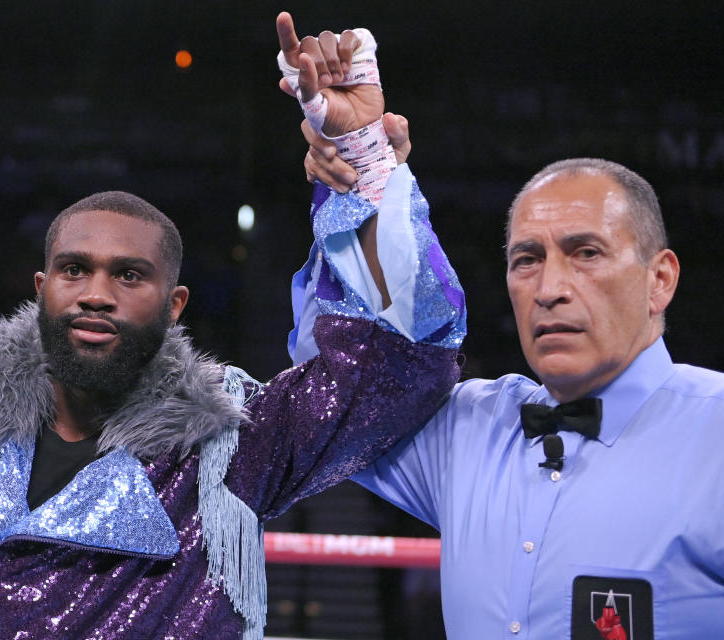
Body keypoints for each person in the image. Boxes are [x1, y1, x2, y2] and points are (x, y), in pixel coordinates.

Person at [0, 97, 465, 640]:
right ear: (42, 290)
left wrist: (365, 165)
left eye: (129, 275)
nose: (97, 292)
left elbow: (400, 370)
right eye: (76, 269)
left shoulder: (233, 437)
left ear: (174, 305)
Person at [280, 14, 724, 640]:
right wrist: (364, 160)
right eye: (527, 260)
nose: (550, 289)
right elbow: (335, 396)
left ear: (660, 280)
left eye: (587, 253)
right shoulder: (469, 430)